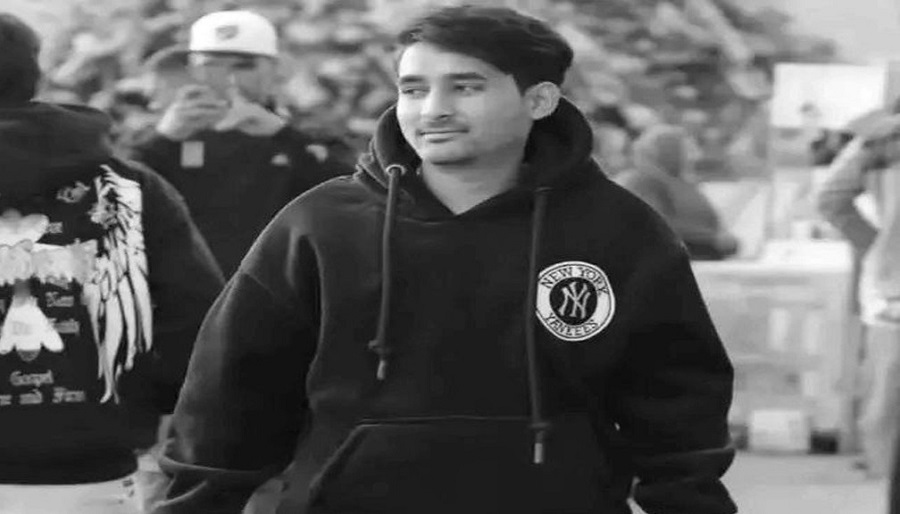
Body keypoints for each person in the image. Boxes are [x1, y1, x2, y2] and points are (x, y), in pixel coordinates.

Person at [154, 6, 736, 514]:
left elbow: (678, 406)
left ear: (539, 99)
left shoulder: (620, 231)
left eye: (466, 87)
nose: (433, 109)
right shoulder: (320, 225)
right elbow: (231, 394)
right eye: (413, 89)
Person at [0, 13, 224, 513]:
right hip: (90, 470)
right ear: (35, 76)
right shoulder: (129, 188)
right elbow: (200, 317)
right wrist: (142, 401)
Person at [126, 10, 350, 278]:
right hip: (195, 290)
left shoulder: (307, 132)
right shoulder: (157, 135)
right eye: (211, 65)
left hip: (281, 287)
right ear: (193, 70)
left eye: (244, 66)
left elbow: (354, 194)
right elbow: (113, 195)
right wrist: (163, 139)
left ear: (274, 70)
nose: (229, 78)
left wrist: (284, 135)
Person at [817, 109, 900, 478]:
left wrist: (877, 246)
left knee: (888, 401)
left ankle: (887, 478)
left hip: (894, 289)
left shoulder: (882, 139)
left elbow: (830, 198)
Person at [615, 124, 740, 260]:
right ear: (668, 151)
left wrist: (722, 238)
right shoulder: (640, 180)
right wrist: (708, 239)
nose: (695, 156)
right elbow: (652, 226)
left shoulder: (679, 182)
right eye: (687, 150)